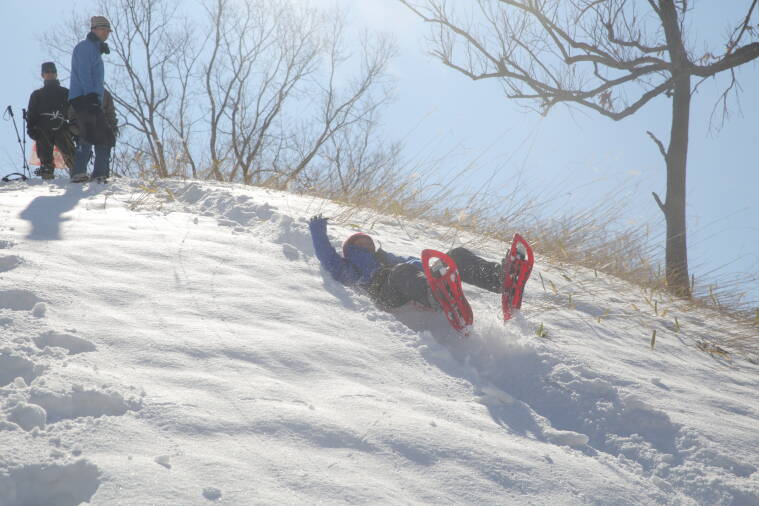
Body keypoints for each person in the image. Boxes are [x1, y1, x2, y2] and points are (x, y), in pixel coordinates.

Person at [309, 215, 506, 310]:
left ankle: (499, 278)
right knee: (401, 270)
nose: (365, 244)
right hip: (383, 294)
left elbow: (412, 262)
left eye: (368, 242)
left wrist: (434, 268)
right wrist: (317, 230)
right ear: (350, 249)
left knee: (456, 255)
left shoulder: (385, 257)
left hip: (412, 280)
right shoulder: (348, 266)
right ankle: (435, 295)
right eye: (359, 243)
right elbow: (327, 256)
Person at [68, 15, 114, 183]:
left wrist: (99, 48)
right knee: (92, 134)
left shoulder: (93, 49)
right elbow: (85, 72)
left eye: (108, 31)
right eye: (103, 30)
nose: (106, 33)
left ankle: (98, 174)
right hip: (85, 98)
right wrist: (91, 96)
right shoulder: (85, 47)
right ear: (94, 30)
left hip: (91, 98)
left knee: (101, 135)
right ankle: (81, 173)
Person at [26, 62, 75, 179]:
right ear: (43, 75)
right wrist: (31, 129)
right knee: (45, 159)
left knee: (71, 157)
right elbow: (31, 114)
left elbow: (73, 113)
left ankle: (77, 173)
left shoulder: (65, 92)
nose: (50, 74)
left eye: (53, 71)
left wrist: (75, 128)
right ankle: (47, 175)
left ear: (56, 74)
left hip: (61, 126)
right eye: (47, 72)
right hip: (43, 128)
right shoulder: (37, 94)